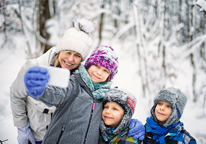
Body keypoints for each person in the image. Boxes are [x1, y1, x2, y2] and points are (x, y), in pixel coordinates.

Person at [24, 45, 145, 144]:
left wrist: (130, 124)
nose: (99, 72)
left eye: (105, 70)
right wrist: (40, 90)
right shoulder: (73, 84)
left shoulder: (105, 97)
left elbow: (116, 114)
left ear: (109, 76)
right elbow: (56, 94)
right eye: (97, 66)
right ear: (89, 65)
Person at [10, 18, 95, 144]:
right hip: (36, 136)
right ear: (59, 50)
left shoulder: (78, 78)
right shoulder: (34, 67)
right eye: (68, 52)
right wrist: (22, 128)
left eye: (77, 55)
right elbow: (16, 95)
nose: (71, 59)